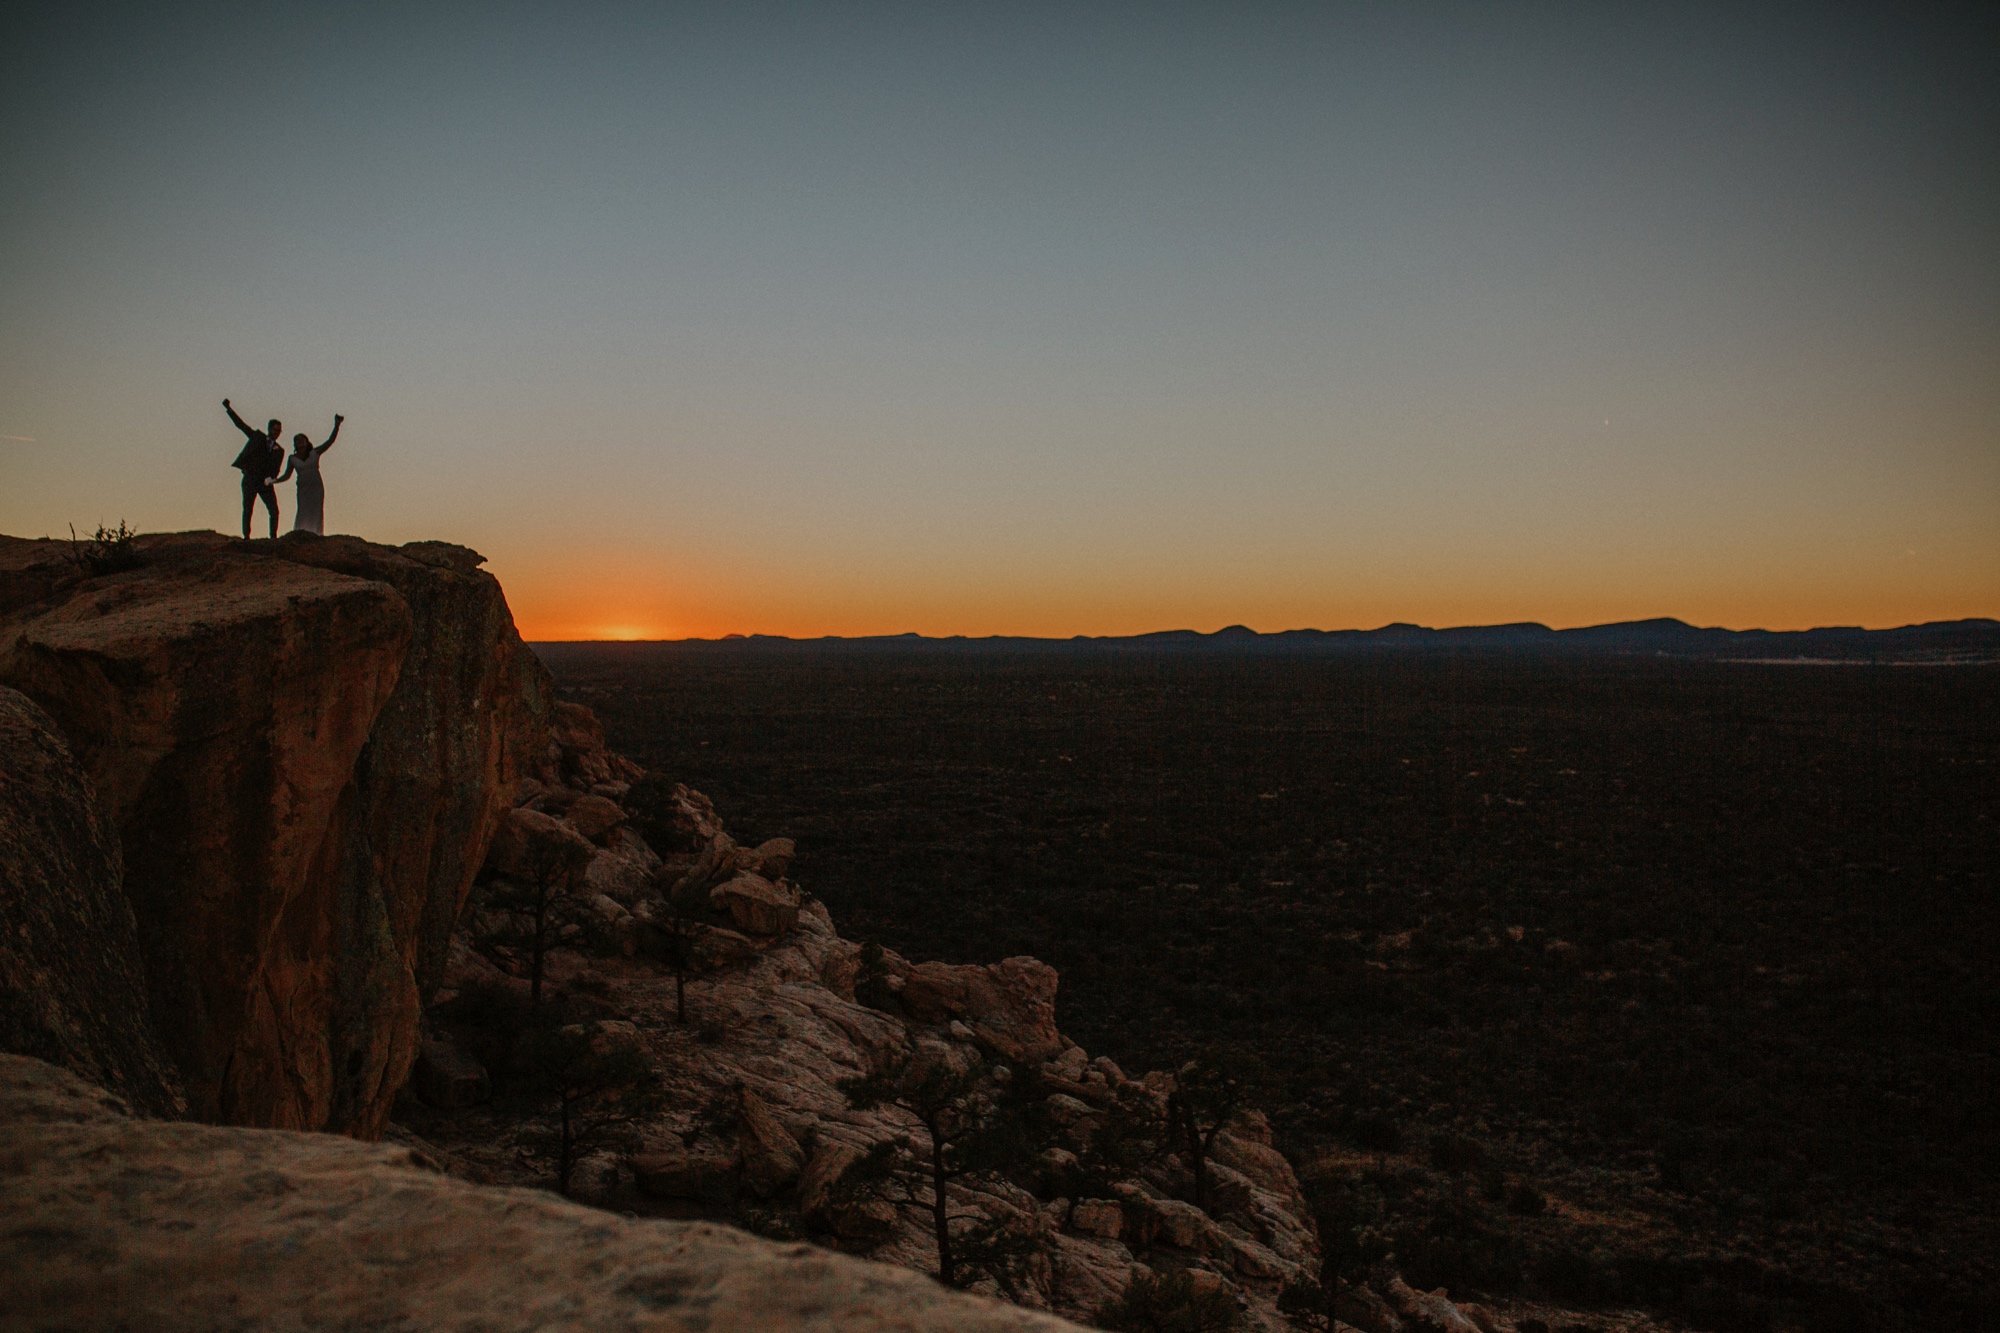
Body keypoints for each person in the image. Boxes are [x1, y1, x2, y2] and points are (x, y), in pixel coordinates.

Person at [223, 398, 285, 538]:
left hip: (265, 482)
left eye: (279, 431)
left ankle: (273, 537)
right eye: (275, 430)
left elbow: (276, 469)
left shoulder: (279, 450)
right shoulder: (258, 437)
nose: (277, 433)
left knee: (274, 510)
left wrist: (270, 480)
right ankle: (246, 536)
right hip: (250, 478)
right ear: (269, 429)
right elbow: (241, 426)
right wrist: (229, 409)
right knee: (248, 509)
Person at [276, 414, 343, 535]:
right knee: (303, 511)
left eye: (302, 440)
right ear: (295, 444)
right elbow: (287, 475)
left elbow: (330, 441)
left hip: (316, 487)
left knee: (316, 511)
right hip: (303, 488)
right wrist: (274, 481)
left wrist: (336, 426)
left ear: (307, 442)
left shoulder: (315, 453)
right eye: (297, 440)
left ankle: (316, 535)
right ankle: (300, 534)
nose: (300, 442)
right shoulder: (292, 458)